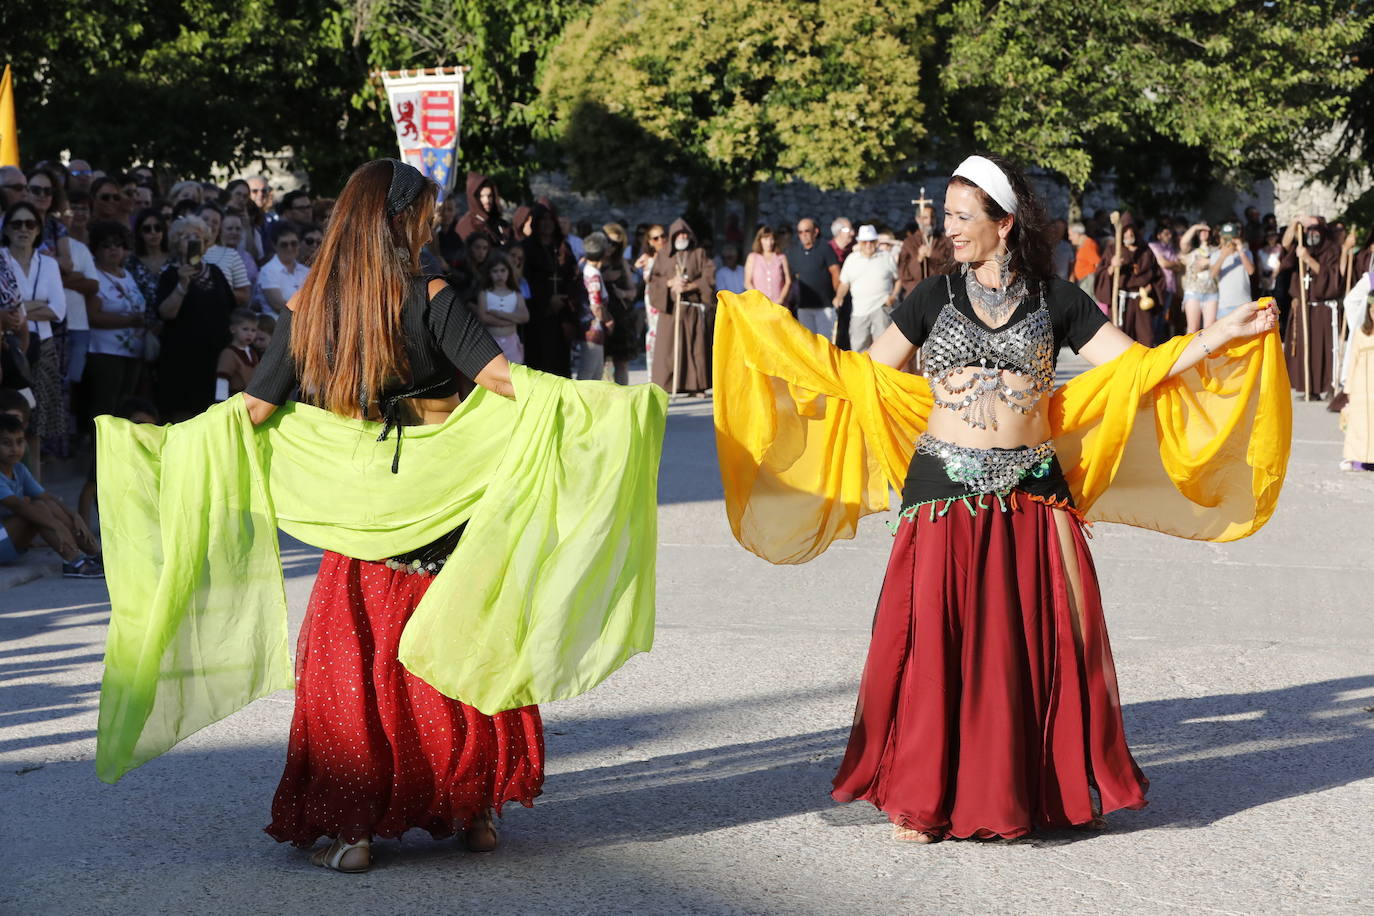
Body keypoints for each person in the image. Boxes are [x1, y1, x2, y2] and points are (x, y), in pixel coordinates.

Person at [712, 153, 1285, 844]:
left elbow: (1135, 369)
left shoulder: (1058, 298)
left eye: (961, 218)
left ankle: (1036, 791)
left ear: (1004, 223)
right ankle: (923, 797)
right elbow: (860, 377)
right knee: (933, 642)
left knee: (1033, 644)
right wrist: (771, 341)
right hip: (941, 489)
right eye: (946, 218)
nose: (946, 230)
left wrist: (1219, 335)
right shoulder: (931, 295)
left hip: (1033, 491)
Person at [243, 158, 540, 872]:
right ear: (398, 218)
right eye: (425, 214)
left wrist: (166, 454)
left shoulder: (309, 304)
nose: (432, 224)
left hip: (360, 512)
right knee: (455, 645)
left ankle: (356, 832)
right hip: (439, 505)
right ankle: (473, 813)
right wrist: (592, 412)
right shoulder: (432, 292)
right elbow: (502, 383)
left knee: (360, 662)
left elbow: (254, 409)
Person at [2, 201, 68, 481]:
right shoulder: (1, 260)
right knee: (9, 420)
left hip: (45, 348)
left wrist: (20, 308)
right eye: (17, 224)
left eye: (30, 224)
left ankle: (36, 490)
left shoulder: (49, 263)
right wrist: (36, 306)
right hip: (9, 349)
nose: (24, 229)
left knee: (36, 427)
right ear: (6, 229)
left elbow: (59, 310)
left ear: (38, 229)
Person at [0, 413, 103, 576]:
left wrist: (75, 516)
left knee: (46, 505)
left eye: (19, 442)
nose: (14, 449)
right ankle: (74, 560)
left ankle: (95, 554)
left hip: (8, 539)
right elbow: (19, 507)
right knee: (36, 509)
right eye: (6, 443)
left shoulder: (19, 469)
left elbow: (46, 497)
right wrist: (55, 526)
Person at [154, 215, 235, 421]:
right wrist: (182, 284)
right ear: (175, 242)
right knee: (183, 415)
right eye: (185, 236)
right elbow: (165, 313)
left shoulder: (216, 273)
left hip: (215, 357)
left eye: (196, 236)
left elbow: (231, 308)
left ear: (205, 242)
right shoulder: (170, 275)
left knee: (213, 413)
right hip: (181, 358)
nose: (191, 240)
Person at [86, 221, 147, 420]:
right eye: (106, 245)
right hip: (105, 352)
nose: (113, 249)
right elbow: (93, 316)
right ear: (96, 249)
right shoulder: (94, 276)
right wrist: (129, 321)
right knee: (105, 406)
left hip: (133, 351)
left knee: (125, 405)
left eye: (118, 244)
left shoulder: (127, 275)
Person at [649, 218, 715, 395]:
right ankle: (670, 385)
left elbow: (709, 276)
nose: (682, 236)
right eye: (679, 234)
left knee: (695, 349)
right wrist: (670, 283)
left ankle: (696, 386)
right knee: (669, 350)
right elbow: (654, 280)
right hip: (671, 310)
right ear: (673, 237)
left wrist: (691, 286)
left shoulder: (698, 253)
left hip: (692, 308)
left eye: (685, 233)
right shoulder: (664, 255)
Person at [1281, 218, 1343, 399]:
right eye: (1309, 231)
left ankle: (1330, 387)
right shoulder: (1300, 246)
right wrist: (1294, 222)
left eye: (1315, 231)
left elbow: (1332, 279)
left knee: (1324, 349)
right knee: (1305, 349)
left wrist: (1307, 259)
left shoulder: (1331, 251)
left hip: (1323, 309)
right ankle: (1310, 388)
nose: (1311, 235)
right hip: (1303, 306)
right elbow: (1285, 247)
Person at [519, 203, 579, 377]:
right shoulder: (527, 248)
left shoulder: (563, 248)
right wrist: (546, 300)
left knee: (560, 363)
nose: (547, 223)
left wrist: (564, 300)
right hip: (537, 315)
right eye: (542, 219)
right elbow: (526, 279)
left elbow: (573, 277)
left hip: (561, 314)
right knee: (539, 363)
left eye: (550, 219)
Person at [1094, 220, 1163, 346]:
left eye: (1131, 232)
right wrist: (1112, 266)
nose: (1129, 235)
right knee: (1121, 338)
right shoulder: (1113, 250)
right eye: (1125, 232)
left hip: (1141, 299)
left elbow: (1157, 275)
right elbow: (1101, 273)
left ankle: (1144, 364)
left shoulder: (1146, 251)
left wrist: (1150, 287)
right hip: (1121, 300)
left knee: (1145, 337)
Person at [834, 225, 900, 352]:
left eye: (872, 241)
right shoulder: (852, 259)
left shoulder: (886, 257)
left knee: (883, 348)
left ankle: (881, 372)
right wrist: (839, 296)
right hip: (859, 310)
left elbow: (898, 279)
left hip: (882, 307)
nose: (869, 245)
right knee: (858, 348)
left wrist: (894, 296)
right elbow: (844, 283)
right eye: (865, 242)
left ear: (876, 242)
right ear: (859, 242)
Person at [471, 251, 528, 364]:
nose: (499, 274)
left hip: (511, 343)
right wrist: (511, 320)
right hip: (491, 343)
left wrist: (499, 314)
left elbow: (525, 317)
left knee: (512, 376)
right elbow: (483, 318)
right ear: (489, 273)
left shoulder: (516, 294)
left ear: (509, 272)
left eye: (503, 270)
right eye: (495, 271)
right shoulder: (484, 294)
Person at [787, 218, 841, 338]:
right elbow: (795, 276)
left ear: (815, 232)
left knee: (825, 343)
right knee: (808, 344)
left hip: (825, 306)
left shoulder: (824, 247)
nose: (803, 235)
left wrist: (837, 295)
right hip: (803, 306)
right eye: (800, 232)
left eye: (807, 231)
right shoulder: (795, 252)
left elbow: (835, 272)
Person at [599, 223, 636, 385]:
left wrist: (624, 293)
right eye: (609, 241)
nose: (611, 247)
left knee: (621, 362)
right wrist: (602, 277)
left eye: (616, 244)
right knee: (598, 363)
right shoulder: (593, 262)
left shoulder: (621, 263)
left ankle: (623, 397)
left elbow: (633, 291)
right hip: (600, 315)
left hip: (620, 315)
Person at [897, 203, 955, 298]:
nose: (929, 221)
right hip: (916, 295)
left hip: (941, 293)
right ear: (917, 219)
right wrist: (918, 259)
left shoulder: (945, 240)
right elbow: (903, 273)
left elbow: (952, 267)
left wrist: (933, 254)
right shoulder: (909, 242)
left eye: (932, 217)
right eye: (925, 218)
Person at [198, 202, 251, 307]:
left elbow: (244, 294)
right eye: (205, 219)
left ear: (220, 228)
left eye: (215, 222)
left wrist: (217, 294)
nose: (209, 224)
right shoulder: (183, 252)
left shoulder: (231, 255)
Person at [576, 232, 613, 381]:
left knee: (596, 373)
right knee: (589, 373)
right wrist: (608, 320)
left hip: (592, 328)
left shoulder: (585, 268)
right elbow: (596, 304)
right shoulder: (593, 275)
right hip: (593, 328)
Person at [259, 226, 310, 317]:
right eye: (284, 244)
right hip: (277, 325)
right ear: (274, 246)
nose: (289, 248)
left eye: (293, 244)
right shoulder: (267, 271)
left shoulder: (306, 271)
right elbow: (278, 305)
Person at [1178, 222, 1219, 332]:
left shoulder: (1215, 249)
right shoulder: (1191, 250)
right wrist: (1196, 226)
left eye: (1206, 230)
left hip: (1212, 292)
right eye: (1201, 231)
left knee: (1210, 329)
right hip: (1193, 291)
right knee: (1193, 328)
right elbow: (1183, 242)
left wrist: (1208, 262)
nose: (1204, 233)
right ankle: (1190, 349)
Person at [637, 224, 666, 372]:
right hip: (653, 297)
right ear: (649, 241)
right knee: (654, 331)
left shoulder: (670, 256)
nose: (660, 240)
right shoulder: (647, 258)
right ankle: (653, 373)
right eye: (656, 238)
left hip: (668, 297)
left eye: (662, 236)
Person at [1213, 223, 1255, 322]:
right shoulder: (1215, 255)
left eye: (1231, 238)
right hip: (1225, 305)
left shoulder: (1246, 253)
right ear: (1221, 238)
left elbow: (1251, 271)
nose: (1228, 241)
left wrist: (1240, 251)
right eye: (1225, 238)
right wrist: (1223, 255)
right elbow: (1213, 274)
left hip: (1244, 303)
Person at [454, 173, 510, 247]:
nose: (487, 200)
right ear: (474, 198)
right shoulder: (466, 224)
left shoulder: (499, 224)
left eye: (489, 196)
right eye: (482, 196)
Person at [215, 310, 261, 399]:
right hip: (234, 399)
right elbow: (222, 380)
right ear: (233, 329)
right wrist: (220, 402)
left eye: (253, 330)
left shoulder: (253, 353)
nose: (250, 333)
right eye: (245, 329)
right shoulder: (229, 353)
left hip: (251, 399)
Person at [1148, 224, 1183, 331]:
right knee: (1156, 313)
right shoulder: (1154, 246)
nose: (1169, 236)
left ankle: (1158, 339)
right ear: (1159, 236)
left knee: (1163, 315)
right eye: (1166, 234)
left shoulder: (1170, 248)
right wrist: (1174, 264)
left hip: (1170, 286)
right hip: (1159, 285)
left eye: (1170, 234)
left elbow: (1179, 267)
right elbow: (1163, 263)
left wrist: (1173, 264)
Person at [744, 225, 790, 306]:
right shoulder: (752, 257)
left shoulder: (781, 257)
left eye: (771, 239)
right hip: (759, 305)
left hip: (779, 305)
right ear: (760, 240)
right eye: (765, 239)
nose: (769, 243)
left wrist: (781, 299)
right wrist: (758, 298)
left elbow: (788, 281)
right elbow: (747, 282)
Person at [1068, 221, 1101, 299]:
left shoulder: (1089, 244)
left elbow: (1098, 264)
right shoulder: (1083, 244)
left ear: (1077, 234)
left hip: (1088, 282)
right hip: (1084, 281)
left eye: (1070, 235)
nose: (1069, 238)